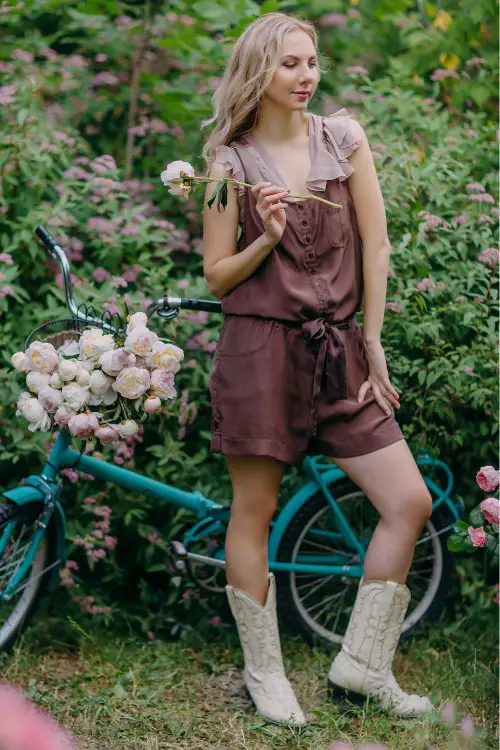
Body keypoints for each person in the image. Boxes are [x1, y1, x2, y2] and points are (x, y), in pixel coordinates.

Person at [201, 11, 434, 727]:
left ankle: (362, 666)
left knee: (409, 501)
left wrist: (373, 342)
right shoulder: (225, 166)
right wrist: (265, 237)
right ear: (258, 74)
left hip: (341, 355)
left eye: (312, 62)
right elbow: (217, 276)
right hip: (260, 352)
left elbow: (378, 246)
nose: (307, 76)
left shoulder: (345, 140)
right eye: (290, 65)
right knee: (254, 511)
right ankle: (266, 674)